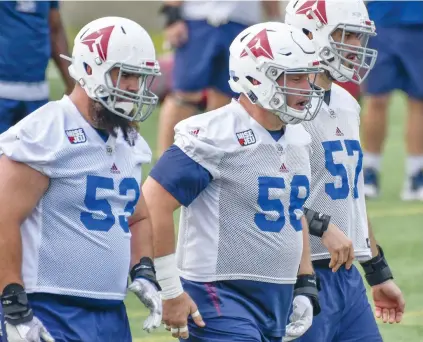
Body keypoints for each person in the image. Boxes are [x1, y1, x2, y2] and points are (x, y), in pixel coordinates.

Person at [143, 22, 325, 341]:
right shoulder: (215, 134)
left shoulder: (297, 136)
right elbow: (152, 203)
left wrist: (305, 281)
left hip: (277, 295)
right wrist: (170, 289)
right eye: (294, 77)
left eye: (307, 77)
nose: (307, 88)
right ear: (256, 77)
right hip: (219, 292)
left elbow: (293, 213)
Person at [0, 17, 162, 342]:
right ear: (91, 69)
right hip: (48, 308)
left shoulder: (126, 139)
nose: (133, 86)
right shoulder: (44, 133)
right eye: (125, 74)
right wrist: (13, 303)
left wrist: (143, 269)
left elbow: (138, 215)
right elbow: (3, 218)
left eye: (140, 77)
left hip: (110, 314)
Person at [285, 1, 405, 341]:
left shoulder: (345, 102)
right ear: (308, 33)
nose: (356, 47)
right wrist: (322, 226)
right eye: (347, 35)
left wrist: (377, 270)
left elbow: (350, 196)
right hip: (298, 272)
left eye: (359, 37)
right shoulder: (282, 105)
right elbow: (260, 191)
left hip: (347, 275)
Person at [156, 0, 282, 156]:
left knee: (228, 99)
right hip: (198, 19)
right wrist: (172, 15)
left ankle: (211, 159)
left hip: (242, 23)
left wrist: (276, 20)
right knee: (185, 94)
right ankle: (164, 160)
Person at [361, 1, 423, 200]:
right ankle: (369, 170)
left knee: (419, 99)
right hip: (381, 19)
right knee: (376, 98)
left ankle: (416, 172)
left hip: (419, 19)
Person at [0, 1, 74, 135]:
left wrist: (71, 82)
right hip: (2, 91)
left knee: (41, 153)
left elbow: (55, 30)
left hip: (37, 92)